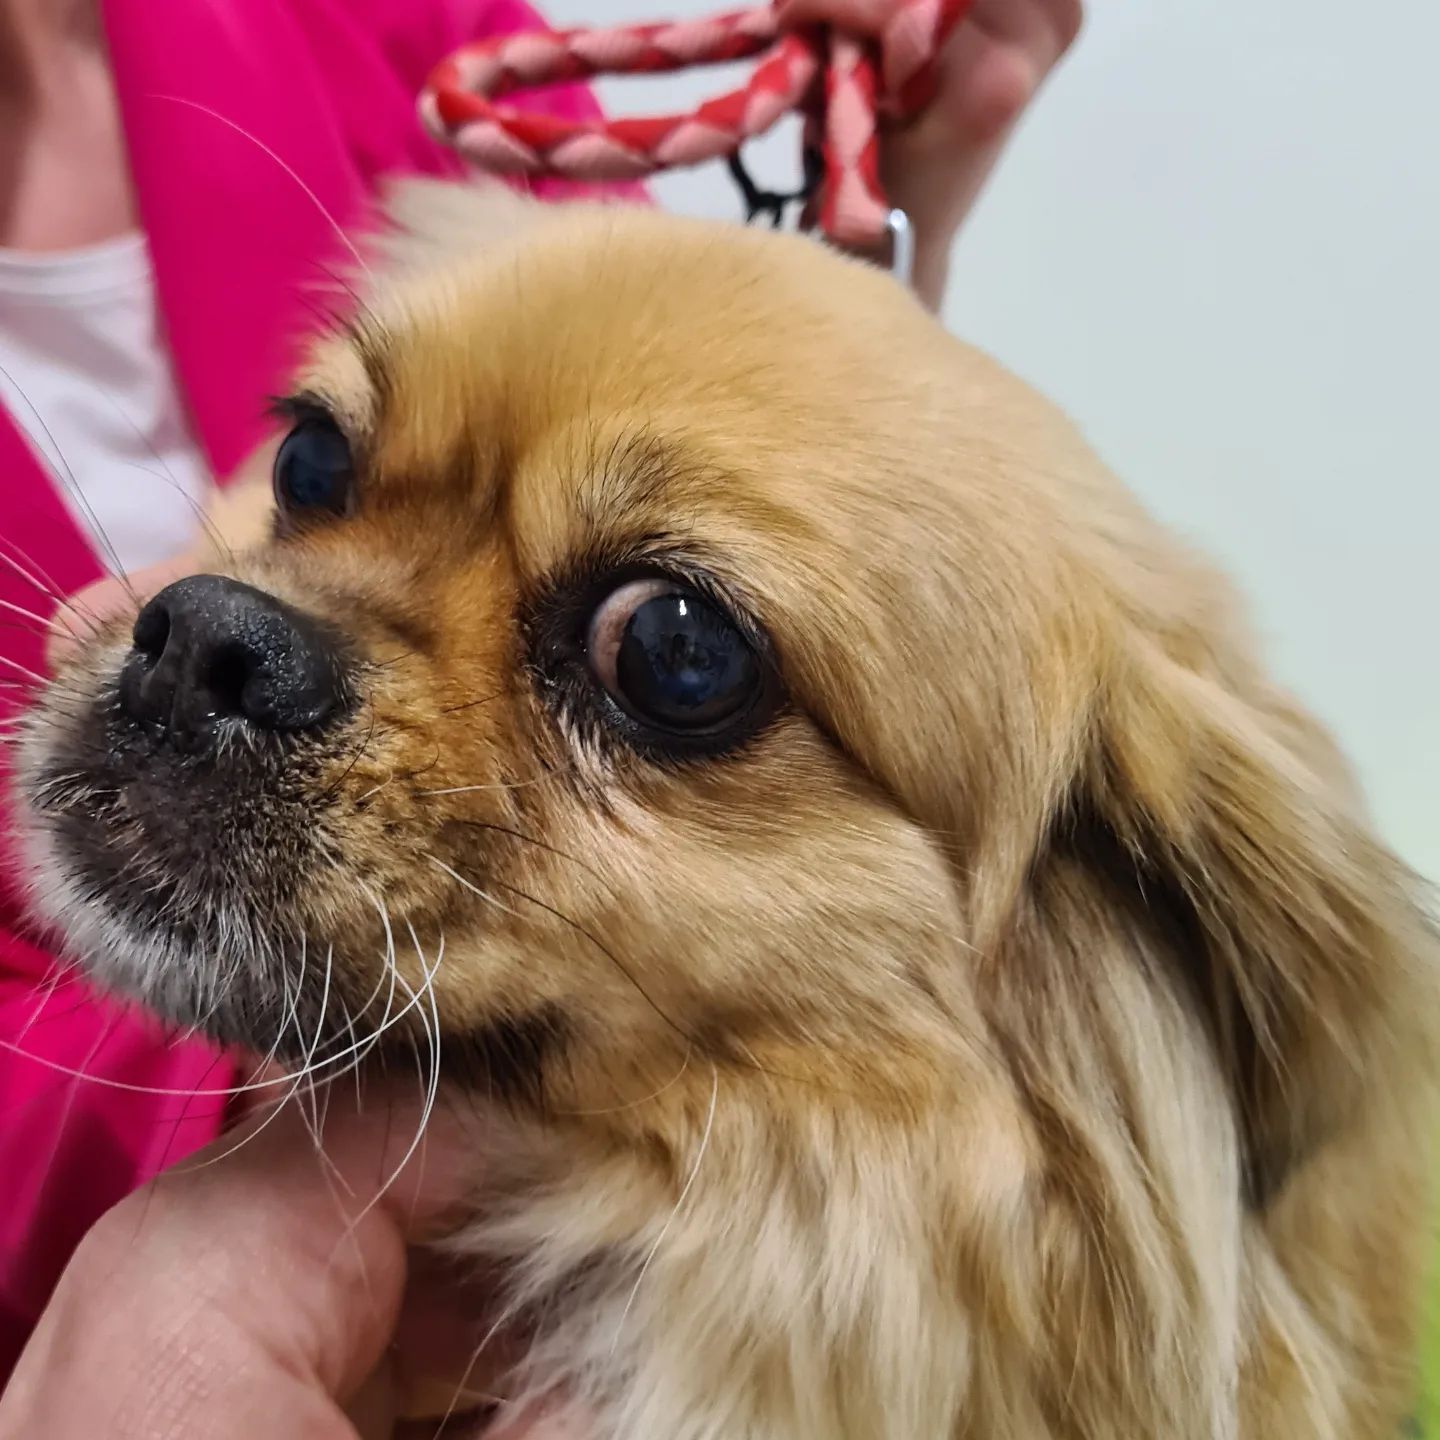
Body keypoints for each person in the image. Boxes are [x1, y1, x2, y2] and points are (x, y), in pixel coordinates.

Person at [0, 0, 1082, 1422]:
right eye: (317, 475)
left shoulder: (391, 21)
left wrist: (881, 217)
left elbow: (672, 452)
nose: (207, 634)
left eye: (311, 466)